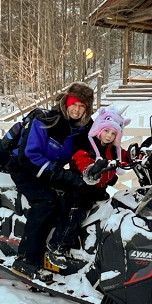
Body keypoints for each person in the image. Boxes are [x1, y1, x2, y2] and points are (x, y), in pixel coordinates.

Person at [6, 82, 94, 282]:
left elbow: (97, 145)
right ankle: (26, 260)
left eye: (82, 106)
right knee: (46, 201)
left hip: (48, 170)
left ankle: (57, 250)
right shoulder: (46, 121)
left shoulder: (82, 129)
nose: (76, 110)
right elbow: (30, 155)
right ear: (66, 101)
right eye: (74, 104)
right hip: (23, 166)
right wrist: (60, 175)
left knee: (72, 197)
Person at [46, 105, 131, 269]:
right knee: (76, 214)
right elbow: (81, 159)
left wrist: (138, 155)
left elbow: (125, 156)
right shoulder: (87, 145)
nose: (109, 136)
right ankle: (57, 246)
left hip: (98, 191)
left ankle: (95, 245)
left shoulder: (112, 149)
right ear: (99, 129)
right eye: (106, 131)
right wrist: (90, 169)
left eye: (113, 133)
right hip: (80, 189)